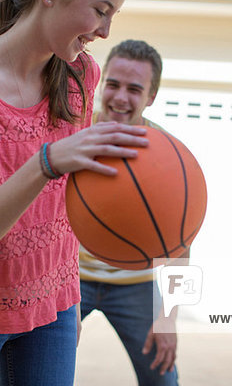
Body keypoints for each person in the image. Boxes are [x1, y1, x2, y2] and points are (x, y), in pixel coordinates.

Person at [0, 0, 148, 385]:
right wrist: (45, 163)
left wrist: (68, 296)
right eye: (100, 11)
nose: (106, 31)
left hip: (50, 313)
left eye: (114, 16)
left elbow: (64, 207)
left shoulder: (81, 74)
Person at [79, 39, 186, 386]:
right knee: (39, 369)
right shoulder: (73, 136)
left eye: (134, 89)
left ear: (151, 96)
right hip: (67, 277)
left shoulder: (168, 156)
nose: (120, 97)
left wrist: (169, 317)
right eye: (113, 84)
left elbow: (183, 245)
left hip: (135, 282)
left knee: (164, 379)